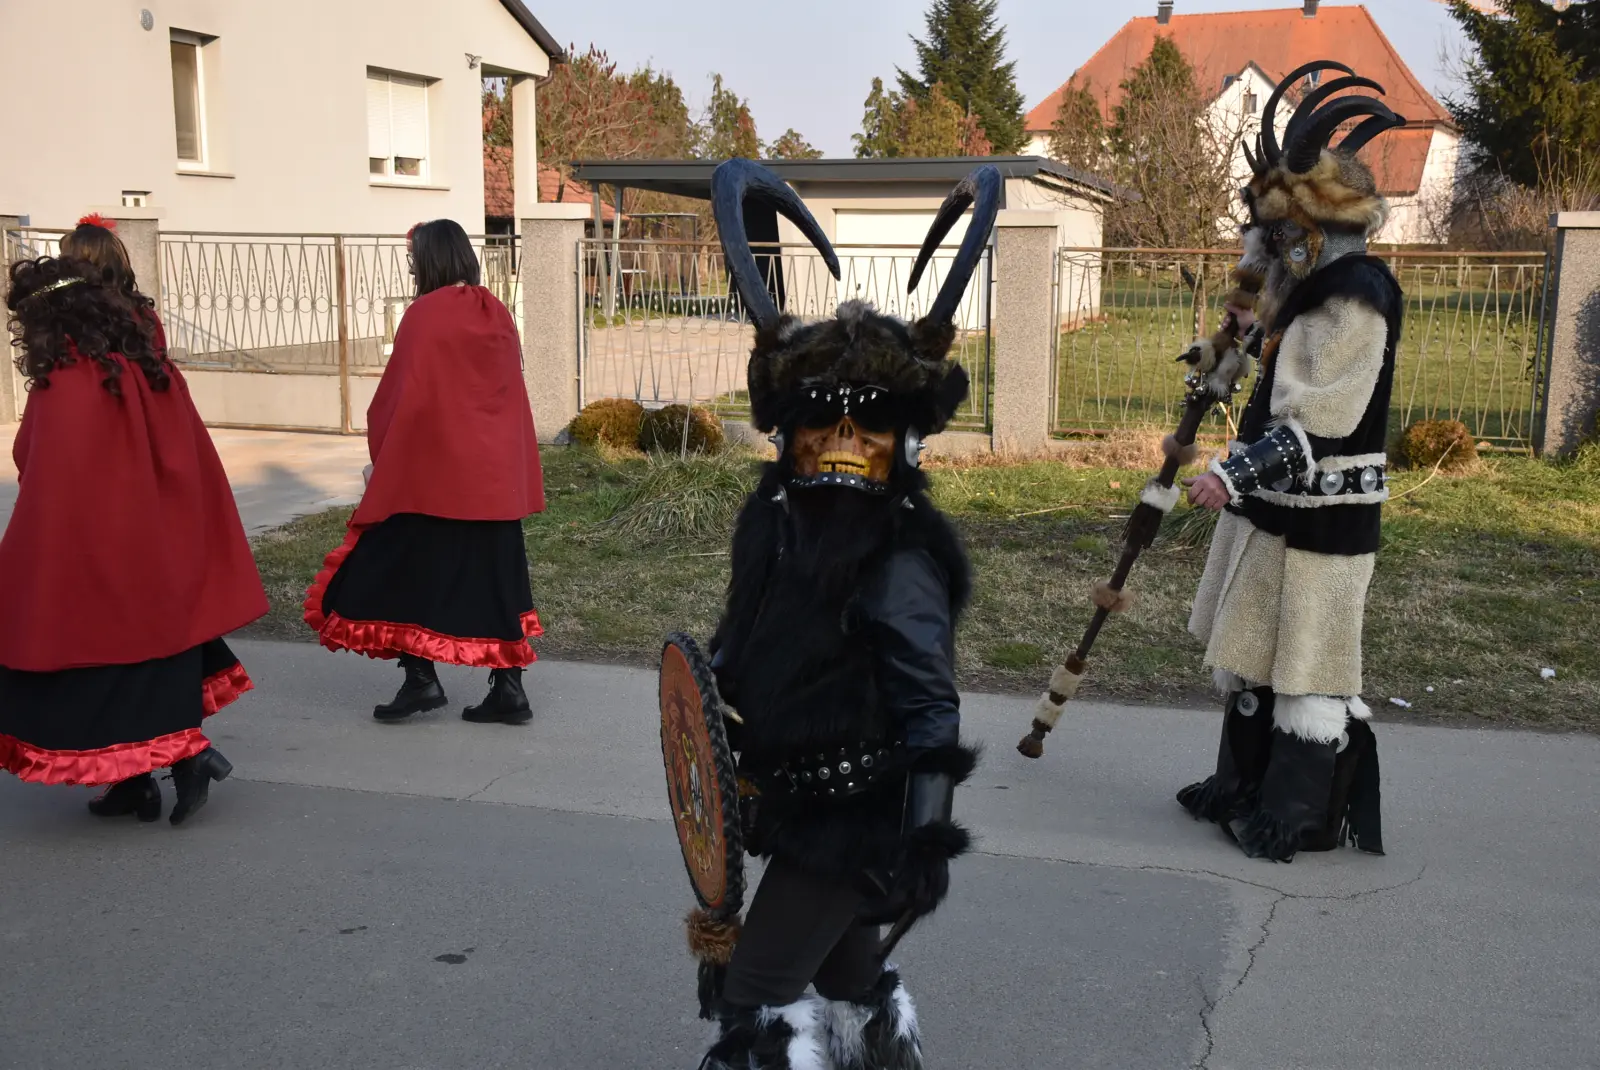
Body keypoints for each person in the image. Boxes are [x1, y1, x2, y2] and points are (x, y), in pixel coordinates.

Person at [694, 160, 992, 1070]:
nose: (838, 446)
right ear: (786, 432)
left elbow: (929, 704)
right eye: (819, 425)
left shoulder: (897, 554)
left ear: (901, 440)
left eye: (865, 431)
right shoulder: (778, 527)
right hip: (794, 800)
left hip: (855, 820)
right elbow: (749, 645)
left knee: (755, 994)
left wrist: (924, 840)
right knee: (851, 981)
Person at [1178, 62, 1407, 862]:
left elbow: (1323, 416)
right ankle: (1240, 788)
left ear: (1311, 230)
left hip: (1325, 518)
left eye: (1276, 236)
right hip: (1277, 509)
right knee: (1252, 646)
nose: (1263, 250)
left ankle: (1298, 812)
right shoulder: (1305, 284)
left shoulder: (1355, 297)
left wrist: (1229, 474)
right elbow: (1254, 334)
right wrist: (1215, 360)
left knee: (1306, 660)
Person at [0, 255, 267, 825]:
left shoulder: (67, 381)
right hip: (159, 547)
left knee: (93, 664)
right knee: (146, 660)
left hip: (98, 548)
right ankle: (135, 782)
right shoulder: (152, 367)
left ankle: (184, 758)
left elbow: (39, 463)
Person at [304, 219, 545, 724]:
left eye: (415, 263)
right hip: (495, 480)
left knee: (403, 567)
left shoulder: (424, 315)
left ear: (430, 262)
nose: (413, 271)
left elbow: (400, 397)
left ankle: (420, 680)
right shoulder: (497, 311)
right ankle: (509, 690)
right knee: (498, 581)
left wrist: (385, 454)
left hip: (434, 479)